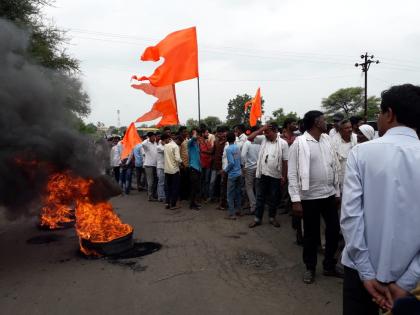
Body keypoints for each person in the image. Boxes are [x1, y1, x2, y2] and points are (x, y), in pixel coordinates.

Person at [340, 84, 420, 314]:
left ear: (390, 113)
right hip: (410, 280)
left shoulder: (361, 153)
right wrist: (405, 283)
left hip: (360, 274)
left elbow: (350, 217)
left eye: (379, 112)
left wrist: (366, 273)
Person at [288, 110, 342, 284]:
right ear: (316, 123)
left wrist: (337, 191)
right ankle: (310, 267)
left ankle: (329, 265)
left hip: (328, 195)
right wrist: (296, 199)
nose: (326, 123)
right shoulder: (300, 143)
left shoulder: (327, 140)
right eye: (324, 120)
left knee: (334, 230)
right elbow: (293, 173)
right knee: (311, 235)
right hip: (309, 197)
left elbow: (334, 166)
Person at [248, 123, 288, 228]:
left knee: (273, 198)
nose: (266, 134)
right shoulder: (263, 139)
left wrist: (284, 176)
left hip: (276, 175)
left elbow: (285, 161)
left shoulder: (283, 143)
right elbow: (250, 138)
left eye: (268, 132)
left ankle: (272, 218)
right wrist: (262, 128)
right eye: (265, 133)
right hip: (262, 174)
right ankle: (257, 219)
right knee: (260, 197)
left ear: (275, 131)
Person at [331, 119, 357, 193]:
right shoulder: (333, 141)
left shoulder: (356, 138)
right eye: (346, 128)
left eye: (350, 127)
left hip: (355, 176)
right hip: (341, 178)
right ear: (340, 130)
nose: (350, 129)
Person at [241, 126, 261, 215]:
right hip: (259, 168)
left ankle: (253, 207)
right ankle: (258, 206)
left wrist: (244, 166)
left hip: (249, 168)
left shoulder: (248, 142)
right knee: (257, 188)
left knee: (249, 187)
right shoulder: (261, 142)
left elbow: (242, 156)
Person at [161, 134, 182, 210]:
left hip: (167, 170)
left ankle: (167, 203)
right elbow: (177, 158)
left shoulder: (166, 146)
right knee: (175, 188)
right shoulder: (175, 146)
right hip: (174, 170)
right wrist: (182, 162)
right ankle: (173, 204)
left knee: (168, 188)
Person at [224, 132, 242, 220]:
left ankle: (232, 214)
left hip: (232, 175)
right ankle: (239, 210)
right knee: (238, 193)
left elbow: (231, 163)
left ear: (227, 139)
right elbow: (239, 160)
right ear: (234, 139)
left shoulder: (228, 149)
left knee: (230, 195)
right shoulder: (237, 148)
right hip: (239, 173)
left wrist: (225, 170)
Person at [210, 126, 227, 203]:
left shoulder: (227, 143)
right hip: (215, 166)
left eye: (220, 133)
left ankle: (221, 199)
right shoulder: (215, 142)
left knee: (222, 183)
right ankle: (212, 197)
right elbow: (212, 152)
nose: (219, 135)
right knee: (212, 182)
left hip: (223, 167)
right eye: (218, 133)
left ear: (223, 133)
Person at [198, 127, 213, 202]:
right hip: (202, 164)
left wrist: (208, 151)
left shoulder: (207, 141)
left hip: (208, 164)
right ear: (203, 133)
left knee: (206, 181)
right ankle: (201, 196)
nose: (208, 134)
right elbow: (203, 150)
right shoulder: (200, 141)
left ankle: (205, 196)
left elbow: (211, 150)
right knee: (201, 181)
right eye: (207, 132)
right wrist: (209, 151)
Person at [188, 128, 201, 210]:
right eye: (195, 133)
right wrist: (194, 134)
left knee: (196, 187)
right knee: (193, 187)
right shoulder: (190, 143)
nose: (197, 135)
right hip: (193, 168)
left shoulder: (196, 144)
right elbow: (193, 139)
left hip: (198, 168)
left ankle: (194, 203)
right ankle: (192, 205)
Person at [143, 132, 158, 201]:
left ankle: (154, 194)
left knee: (155, 181)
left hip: (155, 165)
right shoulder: (146, 144)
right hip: (148, 165)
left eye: (154, 136)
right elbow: (142, 143)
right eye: (152, 137)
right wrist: (147, 138)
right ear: (149, 137)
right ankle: (150, 196)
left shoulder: (155, 143)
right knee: (150, 182)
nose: (154, 138)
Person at [178, 126, 190, 201]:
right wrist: (181, 165)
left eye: (186, 131)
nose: (186, 133)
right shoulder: (179, 141)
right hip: (182, 165)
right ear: (181, 132)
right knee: (182, 181)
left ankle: (185, 196)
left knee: (186, 181)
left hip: (188, 164)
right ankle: (181, 197)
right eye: (184, 132)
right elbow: (178, 154)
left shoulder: (187, 140)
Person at [156, 134, 166, 202]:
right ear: (162, 140)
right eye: (165, 140)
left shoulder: (164, 146)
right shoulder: (159, 147)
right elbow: (165, 150)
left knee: (164, 182)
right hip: (160, 167)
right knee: (161, 182)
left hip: (165, 167)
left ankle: (163, 195)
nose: (166, 142)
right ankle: (160, 196)